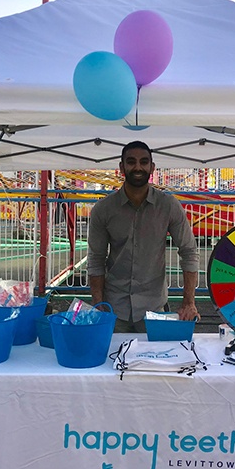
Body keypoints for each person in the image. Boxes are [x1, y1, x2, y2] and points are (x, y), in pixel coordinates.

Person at [87, 141, 200, 332]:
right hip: (114, 310)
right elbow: (96, 259)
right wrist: (99, 307)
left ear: (152, 167)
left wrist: (189, 302)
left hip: (154, 308)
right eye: (131, 162)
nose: (138, 167)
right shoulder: (103, 210)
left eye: (144, 162)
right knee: (109, 361)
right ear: (122, 167)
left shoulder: (168, 206)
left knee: (155, 360)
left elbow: (189, 252)